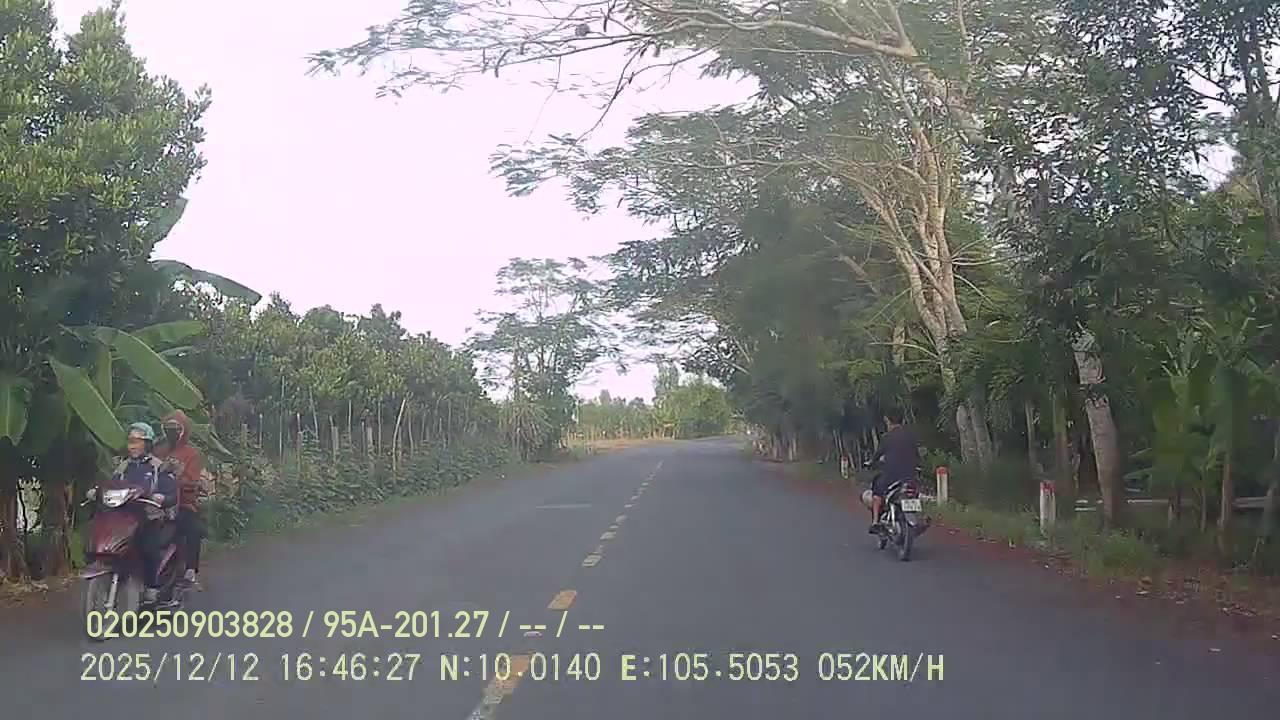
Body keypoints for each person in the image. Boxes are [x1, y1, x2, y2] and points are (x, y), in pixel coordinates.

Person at [107, 422, 179, 604]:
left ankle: (151, 587)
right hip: (124, 518)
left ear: (147, 444)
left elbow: (171, 493)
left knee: (148, 547)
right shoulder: (123, 467)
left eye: (137, 441)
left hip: (149, 517)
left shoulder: (158, 467)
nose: (132, 445)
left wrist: (161, 497)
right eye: (130, 441)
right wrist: (97, 492)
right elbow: (112, 484)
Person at [155, 410, 206, 590]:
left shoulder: (192, 454)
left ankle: (190, 570)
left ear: (184, 430)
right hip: (155, 501)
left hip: (182, 502)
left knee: (192, 528)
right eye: (168, 428)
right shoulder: (159, 450)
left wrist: (175, 475)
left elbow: (192, 479)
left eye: (175, 428)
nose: (171, 432)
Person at [869, 409, 919, 533]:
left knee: (877, 491)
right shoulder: (911, 436)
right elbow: (917, 455)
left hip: (891, 477)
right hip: (910, 476)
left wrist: (871, 463)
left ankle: (875, 521)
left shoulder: (887, 437)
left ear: (888, 420)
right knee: (913, 491)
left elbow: (877, 454)